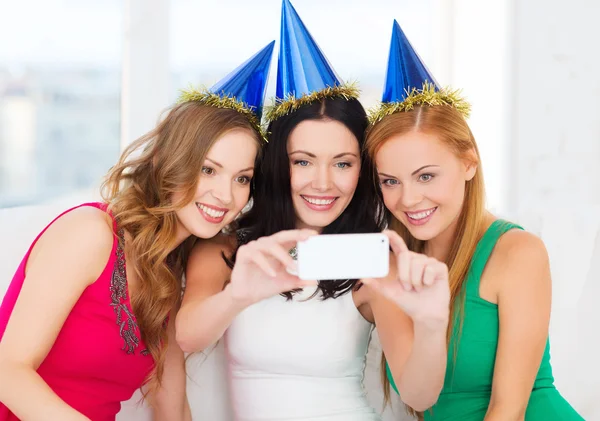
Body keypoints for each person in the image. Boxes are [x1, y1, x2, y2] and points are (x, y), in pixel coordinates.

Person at [176, 2, 450, 420]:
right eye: (303, 161)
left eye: (343, 163)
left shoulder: (370, 261)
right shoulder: (229, 249)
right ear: (276, 164)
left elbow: (420, 394)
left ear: (363, 169)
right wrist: (239, 295)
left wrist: (431, 324)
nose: (323, 182)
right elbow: (187, 336)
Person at [0, 41, 275, 421]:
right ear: (167, 160)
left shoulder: (172, 274)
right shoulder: (91, 233)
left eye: (242, 178)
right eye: (208, 170)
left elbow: (172, 407)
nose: (226, 195)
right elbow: (8, 371)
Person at [364, 19, 584, 421]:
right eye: (390, 181)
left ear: (469, 162)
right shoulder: (389, 267)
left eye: (426, 176)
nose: (408, 199)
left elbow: (508, 410)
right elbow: (417, 394)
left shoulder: (517, 252)